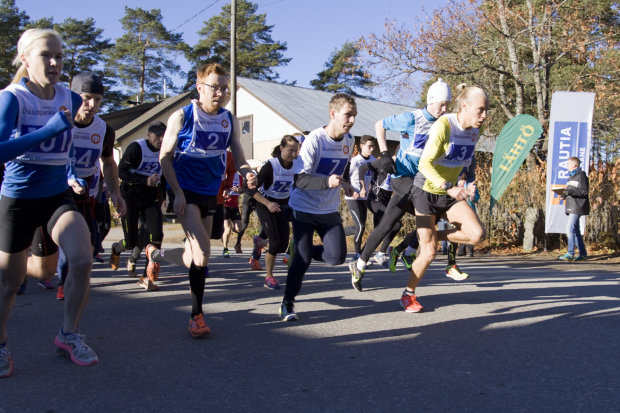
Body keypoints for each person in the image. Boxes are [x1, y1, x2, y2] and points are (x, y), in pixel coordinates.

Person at [0, 28, 98, 378]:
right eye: (46, 55)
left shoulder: (69, 98)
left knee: (83, 258)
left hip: (57, 196)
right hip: (19, 200)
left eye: (59, 55)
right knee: (13, 282)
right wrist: (47, 130)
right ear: (25, 59)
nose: (55, 62)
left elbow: (70, 141)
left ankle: (68, 333)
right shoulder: (12, 98)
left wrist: (73, 168)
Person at [148, 63, 256, 337]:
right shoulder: (182, 116)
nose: (219, 92)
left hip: (211, 192)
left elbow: (240, 159)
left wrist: (249, 173)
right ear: (199, 88)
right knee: (204, 251)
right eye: (214, 87)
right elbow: (165, 157)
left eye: (224, 87)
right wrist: (177, 192)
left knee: (192, 255)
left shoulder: (229, 119)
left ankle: (155, 254)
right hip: (184, 189)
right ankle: (196, 316)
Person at [349, 79, 469, 292]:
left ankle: (361, 263)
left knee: (389, 223)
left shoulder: (447, 123)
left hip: (425, 180)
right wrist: (385, 153)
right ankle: (408, 251)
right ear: (430, 101)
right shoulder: (412, 118)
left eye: (447, 105)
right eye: (441, 104)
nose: (444, 109)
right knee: (421, 204)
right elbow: (380, 125)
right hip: (403, 177)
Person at [399, 84, 488, 313]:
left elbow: (464, 160)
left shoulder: (475, 131)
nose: (484, 115)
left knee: (477, 234)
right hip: (427, 192)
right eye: (480, 110)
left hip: (449, 193)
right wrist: (447, 186)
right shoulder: (444, 125)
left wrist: (466, 183)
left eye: (486, 110)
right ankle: (408, 294)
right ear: (465, 106)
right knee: (428, 252)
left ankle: (427, 237)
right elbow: (424, 164)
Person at [279, 93, 357, 321]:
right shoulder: (315, 139)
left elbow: (341, 168)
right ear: (333, 114)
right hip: (303, 208)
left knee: (337, 258)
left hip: (328, 209)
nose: (351, 120)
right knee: (302, 262)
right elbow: (299, 179)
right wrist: (327, 182)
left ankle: (299, 252)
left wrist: (346, 184)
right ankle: (288, 302)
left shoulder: (349, 140)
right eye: (348, 115)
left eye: (354, 116)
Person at [53, 71, 125, 300]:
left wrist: (115, 192)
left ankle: (67, 279)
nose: (92, 105)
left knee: (91, 240)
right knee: (70, 240)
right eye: (86, 98)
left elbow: (108, 162)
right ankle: (59, 279)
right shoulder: (58, 121)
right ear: (72, 96)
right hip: (57, 191)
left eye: (98, 99)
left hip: (88, 193)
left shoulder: (104, 129)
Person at [109, 121, 165, 291]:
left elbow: (167, 175)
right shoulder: (137, 148)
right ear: (149, 135)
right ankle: (117, 249)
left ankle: (146, 276)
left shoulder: (167, 151)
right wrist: (144, 180)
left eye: (164, 135)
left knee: (156, 236)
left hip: (150, 199)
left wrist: (167, 197)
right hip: (130, 197)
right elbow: (121, 172)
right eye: (157, 135)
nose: (161, 139)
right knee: (131, 241)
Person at [249, 135, 300, 289]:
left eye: (296, 151)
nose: (293, 155)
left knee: (282, 246)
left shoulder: (296, 165)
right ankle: (269, 277)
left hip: (282, 206)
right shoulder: (271, 166)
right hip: (265, 205)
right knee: (276, 242)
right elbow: (251, 190)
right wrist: (268, 203)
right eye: (290, 151)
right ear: (281, 148)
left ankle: (260, 242)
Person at [344, 135, 376, 259]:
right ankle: (358, 254)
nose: (372, 149)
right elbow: (345, 178)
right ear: (362, 146)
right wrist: (350, 190)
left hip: (365, 198)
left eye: (373, 146)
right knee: (361, 226)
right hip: (353, 197)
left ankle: (339, 233)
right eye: (370, 146)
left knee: (360, 226)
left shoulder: (373, 160)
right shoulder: (355, 161)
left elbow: (374, 178)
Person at [559, 156, 589, 261]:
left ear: (575, 165)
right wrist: (564, 195)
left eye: (568, 163)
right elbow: (572, 191)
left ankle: (570, 253)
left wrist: (569, 192)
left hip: (577, 207)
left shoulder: (581, 176)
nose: (566, 165)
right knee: (575, 230)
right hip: (571, 206)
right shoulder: (571, 177)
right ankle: (583, 254)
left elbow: (584, 192)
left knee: (569, 229)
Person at [221, 151, 243, 258]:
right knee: (228, 228)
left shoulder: (239, 177)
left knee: (239, 228)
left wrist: (239, 190)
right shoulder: (224, 175)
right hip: (225, 204)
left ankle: (223, 232)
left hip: (234, 205)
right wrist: (225, 195)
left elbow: (241, 190)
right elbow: (221, 189)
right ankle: (225, 249)